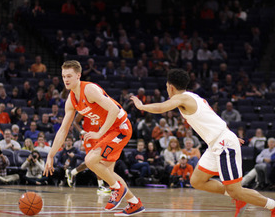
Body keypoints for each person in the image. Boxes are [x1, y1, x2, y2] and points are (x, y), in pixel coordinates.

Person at [131, 68, 275, 216]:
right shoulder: (192, 96)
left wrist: (141, 106)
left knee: (236, 190)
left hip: (223, 143)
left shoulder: (181, 98)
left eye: (167, 86)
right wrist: (228, 133)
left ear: (171, 86)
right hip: (217, 142)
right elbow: (212, 116)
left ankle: (272, 206)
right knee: (197, 181)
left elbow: (161, 107)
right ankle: (237, 197)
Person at [43, 60, 145, 216]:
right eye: (63, 76)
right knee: (108, 173)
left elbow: (113, 109)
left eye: (69, 76)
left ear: (78, 75)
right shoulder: (71, 100)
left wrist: (99, 133)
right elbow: (63, 129)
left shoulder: (89, 89)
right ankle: (134, 203)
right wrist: (51, 155)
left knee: (90, 160)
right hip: (109, 131)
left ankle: (117, 188)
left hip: (121, 128)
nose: (66, 79)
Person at [66, 113, 111, 194]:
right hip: (89, 137)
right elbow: (75, 122)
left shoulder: (100, 108)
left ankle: (72, 172)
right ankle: (101, 186)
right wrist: (82, 131)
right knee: (95, 160)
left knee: (94, 161)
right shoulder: (84, 109)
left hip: (98, 136)